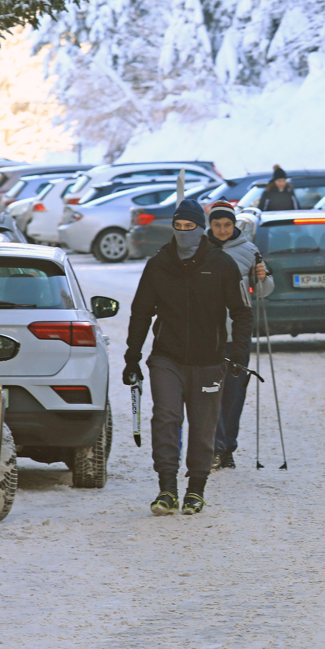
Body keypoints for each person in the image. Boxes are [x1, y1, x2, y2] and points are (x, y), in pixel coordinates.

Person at [124, 199, 253, 515]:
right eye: (178, 227)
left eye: (189, 227)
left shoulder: (222, 265)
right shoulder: (158, 265)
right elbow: (141, 312)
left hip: (209, 360)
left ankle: (196, 489)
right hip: (166, 357)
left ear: (200, 229)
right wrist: (132, 356)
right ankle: (166, 488)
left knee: (203, 425)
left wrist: (238, 353)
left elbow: (241, 312)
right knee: (167, 418)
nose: (183, 233)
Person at [205, 201, 274, 470]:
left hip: (237, 335)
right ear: (210, 225)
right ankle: (216, 447)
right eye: (217, 224)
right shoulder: (199, 250)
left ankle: (227, 446)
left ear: (234, 225)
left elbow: (265, 289)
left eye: (227, 225)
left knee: (233, 395)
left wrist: (262, 276)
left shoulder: (249, 251)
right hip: (206, 335)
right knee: (209, 394)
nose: (222, 230)